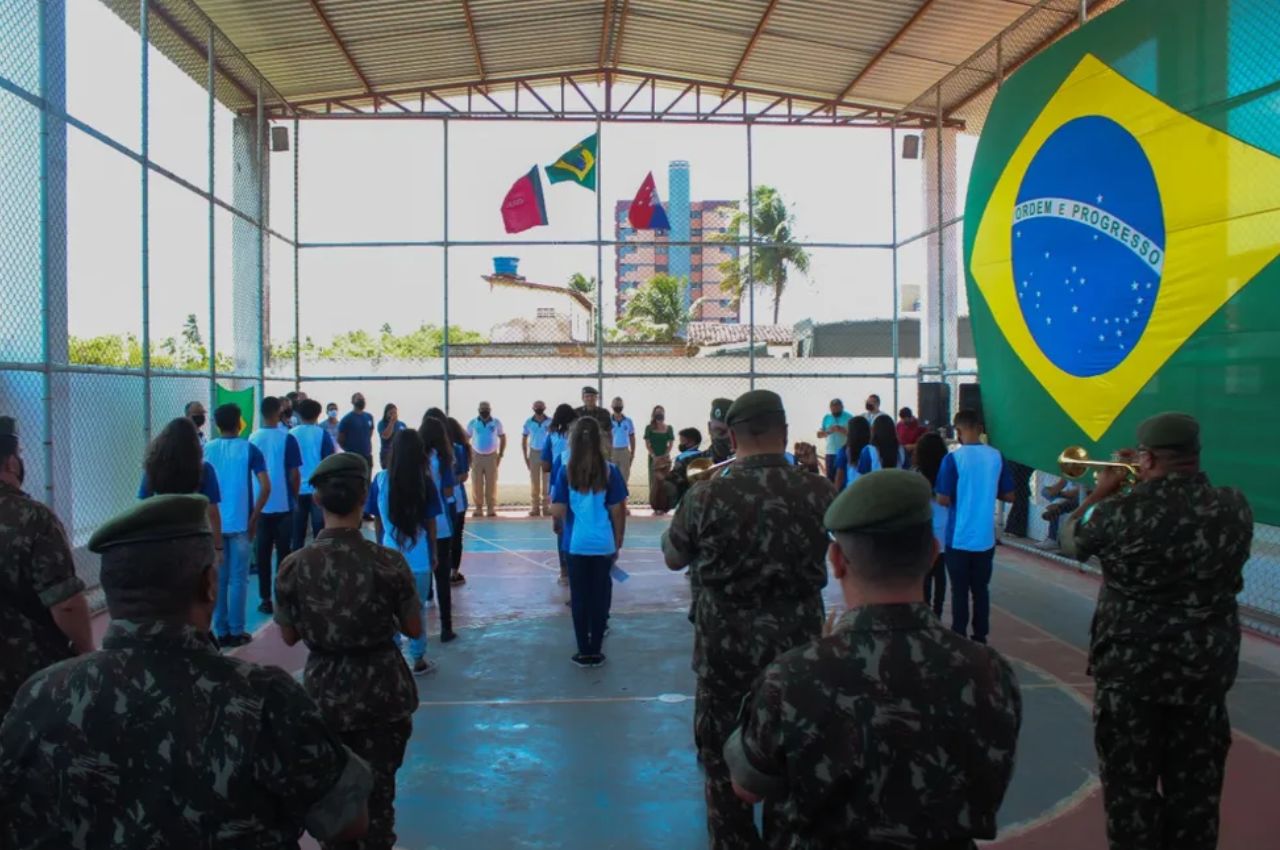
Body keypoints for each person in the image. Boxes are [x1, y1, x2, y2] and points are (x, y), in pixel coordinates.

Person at [0, 494, 372, 848]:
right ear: (210, 586)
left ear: (110, 592)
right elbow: (346, 820)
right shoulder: (264, 699)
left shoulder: (42, 697)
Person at [725, 469, 1023, 848]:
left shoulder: (794, 676)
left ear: (836, 560)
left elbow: (747, 786)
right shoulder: (991, 672)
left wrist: (820, 654)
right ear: (933, 554)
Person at [1060, 412, 1253, 850]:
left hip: (1131, 680)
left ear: (1145, 459)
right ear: (1195, 455)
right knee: (1197, 803)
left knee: (1132, 800)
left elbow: (1071, 539)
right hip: (1203, 678)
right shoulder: (1233, 506)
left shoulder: (1118, 513)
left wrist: (1100, 492)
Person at [661, 390, 836, 849]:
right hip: (798, 657)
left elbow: (673, 557)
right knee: (794, 766)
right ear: (783, 431)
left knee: (724, 772)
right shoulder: (819, 491)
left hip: (725, 657)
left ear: (733, 436)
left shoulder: (707, 493)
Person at [276, 452, 424, 850]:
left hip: (326, 696)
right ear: (364, 497)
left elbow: (288, 635)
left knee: (333, 806)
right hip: (383, 694)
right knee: (379, 801)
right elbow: (413, 627)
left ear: (319, 500)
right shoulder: (388, 562)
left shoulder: (294, 566)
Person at [0, 416, 93, 719]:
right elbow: (65, 603)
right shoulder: (34, 518)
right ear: (11, 462)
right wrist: (87, 652)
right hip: (24, 675)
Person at [549, 419, 628, 667]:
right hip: (603, 543)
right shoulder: (610, 471)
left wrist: (558, 514)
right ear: (600, 440)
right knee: (601, 595)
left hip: (576, 543)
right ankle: (597, 648)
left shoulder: (566, 471)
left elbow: (558, 509)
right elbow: (618, 511)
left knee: (580, 596)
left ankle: (583, 649)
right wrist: (618, 542)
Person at [934, 409, 1016, 644]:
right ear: (980, 429)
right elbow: (1010, 496)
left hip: (958, 536)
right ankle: (981, 635)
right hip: (985, 537)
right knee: (981, 590)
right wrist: (988, 490)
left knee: (959, 591)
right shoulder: (996, 457)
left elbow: (943, 498)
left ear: (958, 431)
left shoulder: (953, 459)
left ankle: (959, 635)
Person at [203, 403, 270, 648]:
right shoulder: (249, 450)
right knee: (239, 579)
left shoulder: (207, 449)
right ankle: (237, 629)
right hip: (242, 522)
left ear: (216, 423)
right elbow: (266, 486)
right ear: (239, 422)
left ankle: (220, 631)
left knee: (218, 578)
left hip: (214, 524)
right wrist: (254, 517)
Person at [137, 417, 224, 560]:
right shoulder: (204, 469)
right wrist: (218, 547)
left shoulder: (153, 467)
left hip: (161, 535)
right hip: (194, 535)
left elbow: (143, 502)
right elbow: (212, 511)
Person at [249, 396, 302, 615]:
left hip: (261, 506)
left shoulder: (253, 438)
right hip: (283, 505)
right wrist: (294, 496)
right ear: (279, 412)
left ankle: (264, 598)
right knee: (284, 554)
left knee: (262, 555)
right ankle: (282, 598)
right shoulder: (286, 438)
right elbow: (294, 473)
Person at [650, 398, 735, 514]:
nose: (725, 438)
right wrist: (659, 482)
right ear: (709, 428)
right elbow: (661, 505)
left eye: (731, 432)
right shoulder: (690, 464)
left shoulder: (747, 464)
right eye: (719, 432)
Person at [419, 415, 459, 641]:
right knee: (442, 574)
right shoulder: (443, 460)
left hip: (417, 524)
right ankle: (446, 628)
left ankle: (419, 631)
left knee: (419, 572)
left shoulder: (414, 459)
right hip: (440, 522)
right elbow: (448, 492)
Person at [913, 431, 951, 617]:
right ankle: (938, 610)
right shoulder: (947, 471)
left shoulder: (917, 475)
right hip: (944, 527)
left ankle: (925, 610)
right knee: (940, 573)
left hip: (924, 527)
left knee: (925, 573)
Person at [291, 399, 336, 550]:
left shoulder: (291, 434)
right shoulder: (322, 434)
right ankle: (320, 562)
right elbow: (328, 461)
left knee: (297, 531)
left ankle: (296, 565)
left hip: (296, 488)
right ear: (318, 414)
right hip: (317, 488)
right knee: (319, 530)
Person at [541, 404, 578, 585]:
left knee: (561, 528)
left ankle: (564, 572)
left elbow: (545, 465)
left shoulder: (551, 436)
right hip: (581, 484)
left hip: (558, 485)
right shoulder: (579, 435)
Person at [444, 416, 473, 586]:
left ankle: (450, 570)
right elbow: (463, 475)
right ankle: (453, 571)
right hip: (456, 498)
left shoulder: (457, 449)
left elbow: (463, 475)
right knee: (455, 536)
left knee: (449, 537)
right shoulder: (460, 448)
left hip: (451, 498)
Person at [467, 401, 505, 519]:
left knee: (491, 483)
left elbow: (502, 437)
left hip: (492, 456)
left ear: (490, 409)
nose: (484, 411)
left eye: (486, 408)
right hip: (476, 456)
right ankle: (478, 508)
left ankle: (490, 508)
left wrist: (500, 454)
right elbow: (466, 439)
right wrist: (469, 456)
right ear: (478, 410)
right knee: (477, 483)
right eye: (482, 409)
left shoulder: (496, 422)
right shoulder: (473, 423)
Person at [643, 405, 675, 515]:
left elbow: (670, 444)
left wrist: (665, 455)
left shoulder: (669, 428)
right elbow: (647, 444)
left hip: (665, 458)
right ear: (653, 414)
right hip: (654, 458)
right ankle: (655, 505)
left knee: (664, 481)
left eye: (661, 412)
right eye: (657, 412)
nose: (659, 414)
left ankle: (664, 505)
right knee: (654, 481)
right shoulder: (649, 428)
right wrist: (654, 456)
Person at [1036, 474, 1081, 551]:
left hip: (1079, 498)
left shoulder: (1086, 472)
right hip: (1065, 495)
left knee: (1057, 505)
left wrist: (1059, 494)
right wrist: (1053, 490)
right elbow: (1060, 484)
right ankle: (1056, 504)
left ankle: (1052, 538)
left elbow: (1075, 493)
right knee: (1045, 492)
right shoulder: (1070, 470)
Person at [521, 401, 551, 517]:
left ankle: (546, 507)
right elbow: (524, 439)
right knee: (534, 481)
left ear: (545, 408)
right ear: (533, 408)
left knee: (546, 481)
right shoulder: (528, 422)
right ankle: (535, 507)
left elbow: (554, 437)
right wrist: (526, 457)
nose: (539, 408)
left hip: (546, 452)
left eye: (541, 407)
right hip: (534, 452)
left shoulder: (550, 421)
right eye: (537, 407)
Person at [337, 392, 375, 481]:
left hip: (367, 456)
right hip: (353, 457)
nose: (361, 401)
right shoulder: (347, 419)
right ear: (352, 401)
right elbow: (340, 439)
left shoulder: (369, 417)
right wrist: (348, 449)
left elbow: (370, 432)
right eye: (358, 399)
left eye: (362, 399)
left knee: (367, 482)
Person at [815, 398, 852, 482]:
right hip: (830, 453)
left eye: (837, 408)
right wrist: (828, 431)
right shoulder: (827, 418)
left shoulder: (849, 417)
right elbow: (819, 435)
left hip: (844, 452)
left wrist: (841, 430)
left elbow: (854, 435)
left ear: (842, 407)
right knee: (830, 479)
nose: (834, 411)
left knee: (843, 479)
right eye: (833, 409)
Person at [832, 417, 872, 492]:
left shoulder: (844, 450)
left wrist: (835, 496)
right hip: (869, 490)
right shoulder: (872, 449)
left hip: (849, 492)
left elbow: (839, 477)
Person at [608, 396, 636, 486]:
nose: (618, 406)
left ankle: (623, 499)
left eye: (619, 404)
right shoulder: (608, 421)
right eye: (615, 404)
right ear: (611, 406)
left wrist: (632, 452)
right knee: (611, 476)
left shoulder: (628, 421)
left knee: (624, 477)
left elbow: (632, 437)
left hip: (624, 451)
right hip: (612, 451)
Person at [377, 403, 405, 471]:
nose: (393, 415)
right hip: (387, 454)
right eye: (391, 413)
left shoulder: (401, 424)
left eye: (395, 412)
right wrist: (391, 422)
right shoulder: (382, 424)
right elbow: (386, 436)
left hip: (399, 454)